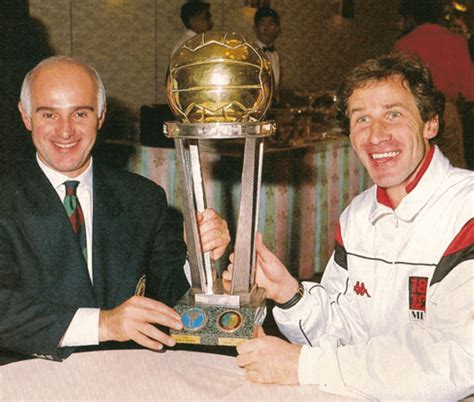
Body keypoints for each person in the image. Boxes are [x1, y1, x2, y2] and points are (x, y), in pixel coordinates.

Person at [223, 53, 474, 400]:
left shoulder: (466, 212)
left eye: (393, 114)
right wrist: (289, 294)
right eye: (361, 119)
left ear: (430, 123)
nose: (376, 135)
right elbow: (344, 333)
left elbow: (458, 360)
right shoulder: (358, 215)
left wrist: (305, 366)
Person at [0, 56, 230, 363]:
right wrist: (105, 323)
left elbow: (171, 304)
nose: (65, 131)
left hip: (125, 378)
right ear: (26, 116)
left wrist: (197, 258)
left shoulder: (144, 198)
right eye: (49, 115)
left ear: (101, 116)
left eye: (80, 113)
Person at [394, 0, 474, 169]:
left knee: (417, 166)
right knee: (455, 166)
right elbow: (469, 89)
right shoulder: (455, 40)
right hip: (447, 111)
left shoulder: (403, 44)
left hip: (416, 113)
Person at [253, 6, 281, 104]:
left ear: (277, 29)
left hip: (274, 106)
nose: (266, 28)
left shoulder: (275, 54)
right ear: (255, 28)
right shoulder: (252, 53)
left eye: (271, 24)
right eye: (262, 24)